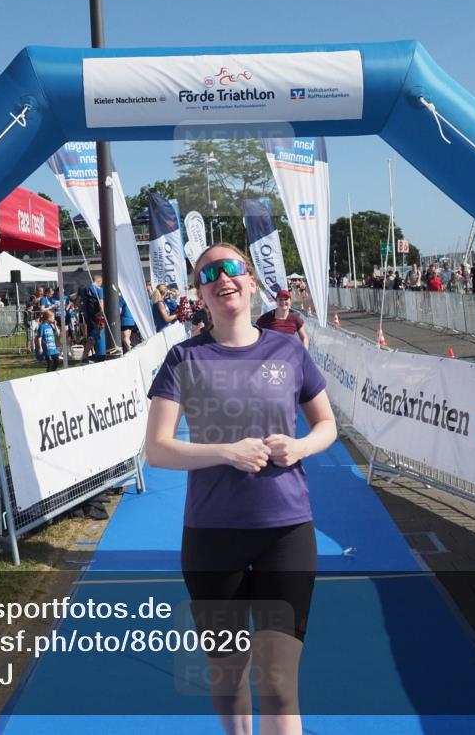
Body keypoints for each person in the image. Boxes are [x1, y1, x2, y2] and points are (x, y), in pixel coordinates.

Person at [145, 243, 336, 735]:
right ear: (199, 294)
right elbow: (158, 449)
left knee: (278, 680)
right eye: (209, 273)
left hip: (285, 531)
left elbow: (327, 425)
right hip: (212, 536)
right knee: (229, 678)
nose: (222, 278)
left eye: (232, 268)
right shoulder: (183, 358)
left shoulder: (289, 350)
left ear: (251, 282)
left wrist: (300, 447)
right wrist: (226, 452)